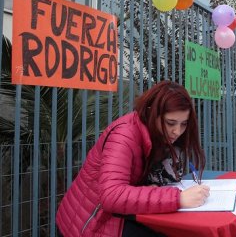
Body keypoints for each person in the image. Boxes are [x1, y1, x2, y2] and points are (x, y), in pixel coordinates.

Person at [56, 81, 210, 237]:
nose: (177, 131)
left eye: (183, 124)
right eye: (170, 123)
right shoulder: (124, 135)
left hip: (114, 217)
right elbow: (111, 195)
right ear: (151, 112)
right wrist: (178, 198)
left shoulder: (155, 134)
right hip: (90, 224)